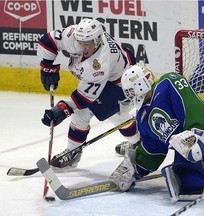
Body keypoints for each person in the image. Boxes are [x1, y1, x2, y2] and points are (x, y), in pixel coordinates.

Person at [108, 65, 204, 202]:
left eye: (131, 90)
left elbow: (192, 106)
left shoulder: (167, 83)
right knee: (189, 187)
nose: (130, 95)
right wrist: (135, 168)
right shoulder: (142, 118)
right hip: (189, 155)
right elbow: (153, 149)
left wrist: (197, 133)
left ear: (140, 83)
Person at [37, 18, 140, 168]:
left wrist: (61, 110)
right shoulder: (75, 35)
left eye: (87, 44)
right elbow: (49, 40)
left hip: (122, 83)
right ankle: (138, 142)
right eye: (80, 43)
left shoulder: (101, 62)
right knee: (100, 113)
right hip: (117, 70)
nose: (83, 48)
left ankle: (139, 142)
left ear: (97, 40)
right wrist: (47, 66)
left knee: (101, 112)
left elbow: (84, 97)